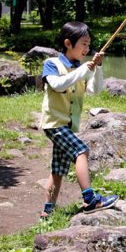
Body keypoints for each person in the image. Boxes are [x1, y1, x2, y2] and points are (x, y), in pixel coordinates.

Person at [39, 21, 118, 218]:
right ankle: (90, 199)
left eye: (89, 44)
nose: (87, 48)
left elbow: (95, 89)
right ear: (68, 43)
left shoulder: (80, 67)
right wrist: (83, 71)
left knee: (58, 170)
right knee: (81, 150)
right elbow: (57, 85)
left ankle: (47, 211)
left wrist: (97, 68)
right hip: (54, 124)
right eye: (83, 43)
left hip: (67, 126)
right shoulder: (52, 64)